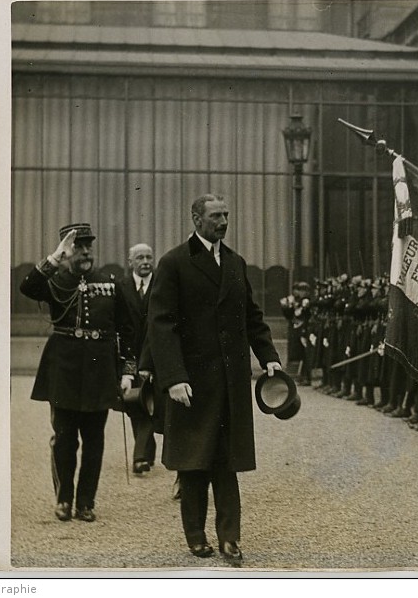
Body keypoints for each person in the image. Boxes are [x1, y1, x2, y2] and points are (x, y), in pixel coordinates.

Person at [147, 194, 283, 562]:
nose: (223, 222)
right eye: (215, 216)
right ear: (196, 219)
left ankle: (230, 538)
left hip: (230, 384)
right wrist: (174, 377)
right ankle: (195, 535)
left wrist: (269, 358)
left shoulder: (236, 263)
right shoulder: (174, 263)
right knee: (193, 464)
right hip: (191, 385)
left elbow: (252, 318)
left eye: (226, 215)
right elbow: (161, 326)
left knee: (227, 462)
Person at [20, 223, 134, 523]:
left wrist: (127, 372)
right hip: (63, 369)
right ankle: (64, 499)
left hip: (99, 370)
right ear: (66, 251)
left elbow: (128, 330)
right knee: (64, 438)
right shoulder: (54, 280)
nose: (85, 252)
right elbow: (27, 287)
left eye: (88, 247)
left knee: (94, 440)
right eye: (77, 247)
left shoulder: (109, 283)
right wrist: (55, 258)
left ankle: (86, 502)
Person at [117, 243, 158, 474]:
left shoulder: (162, 284)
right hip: (129, 355)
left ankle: (140, 455)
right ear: (130, 262)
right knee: (134, 403)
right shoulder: (121, 287)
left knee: (149, 401)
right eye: (140, 257)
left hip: (155, 354)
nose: (145, 261)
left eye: (149, 257)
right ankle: (146, 450)